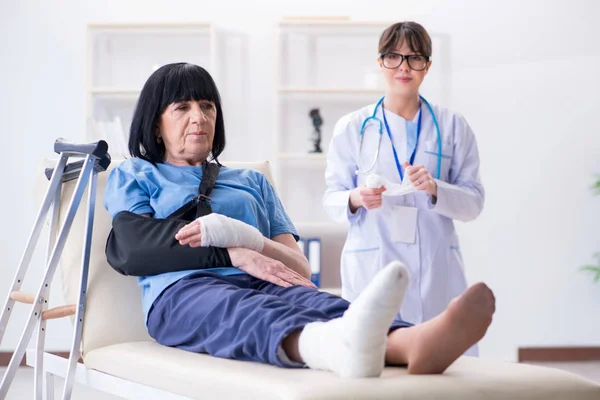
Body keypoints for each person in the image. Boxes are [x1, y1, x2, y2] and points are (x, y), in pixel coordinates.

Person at [104, 62, 494, 378]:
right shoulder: (137, 174)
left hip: (269, 283)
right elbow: (135, 248)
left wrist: (254, 245)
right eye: (182, 108)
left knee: (322, 303)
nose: (199, 118)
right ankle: (336, 348)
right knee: (247, 312)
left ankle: (415, 341)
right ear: (156, 124)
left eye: (207, 106)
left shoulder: (250, 181)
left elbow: (298, 266)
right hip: (183, 296)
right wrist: (233, 252)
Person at [323, 22, 485, 345]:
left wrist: (436, 188)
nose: (404, 67)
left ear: (428, 66)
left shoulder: (453, 126)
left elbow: (474, 202)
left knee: (441, 374)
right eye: (394, 57)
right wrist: (355, 198)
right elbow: (331, 198)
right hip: (374, 265)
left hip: (436, 273)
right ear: (380, 62)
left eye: (415, 58)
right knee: (374, 364)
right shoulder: (353, 127)